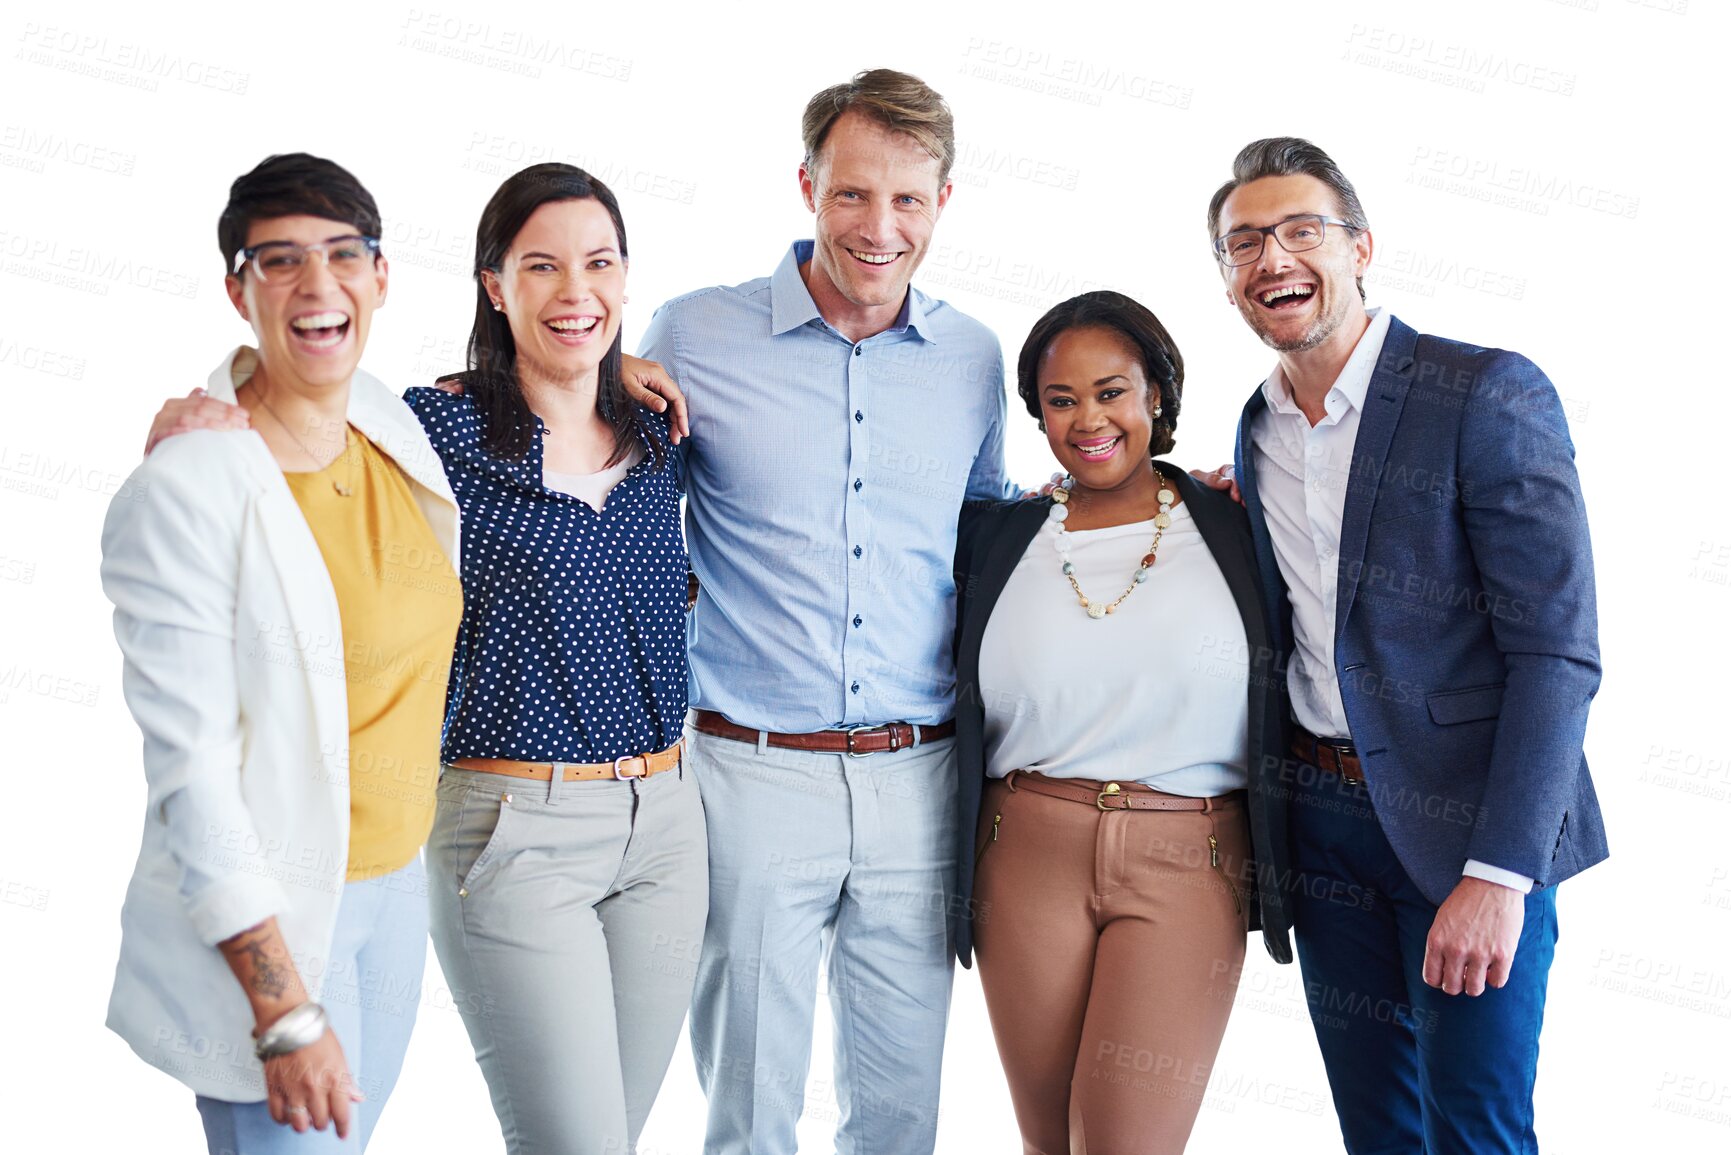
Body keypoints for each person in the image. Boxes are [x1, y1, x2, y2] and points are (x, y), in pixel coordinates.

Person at [1198, 137, 1605, 1153]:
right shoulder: (1258, 429)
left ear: (1362, 246)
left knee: (1475, 1132)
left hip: (1468, 831)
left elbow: (1558, 652)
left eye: (1301, 230)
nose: (1272, 259)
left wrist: (1500, 874)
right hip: (1324, 824)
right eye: (1243, 242)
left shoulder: (1486, 393)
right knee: (1378, 1132)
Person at [634, 69, 1014, 1154]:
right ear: (806, 186)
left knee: (900, 1118)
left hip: (920, 781)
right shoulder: (695, 334)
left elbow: (986, 537)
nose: (878, 227)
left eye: (907, 200)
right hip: (750, 773)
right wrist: (560, 375)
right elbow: (611, 502)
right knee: (748, 1109)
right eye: (852, 194)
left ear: (945, 201)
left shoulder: (975, 358)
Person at [101, 153, 462, 1152]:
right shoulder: (188, 489)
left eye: (346, 254)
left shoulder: (387, 421)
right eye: (281, 261)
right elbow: (194, 780)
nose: (319, 285)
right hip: (280, 918)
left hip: (396, 891)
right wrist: (286, 1012)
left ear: (382, 278)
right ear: (236, 289)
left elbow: (539, 374)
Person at [406, 163, 707, 1155]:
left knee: (607, 1141)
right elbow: (308, 422)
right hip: (515, 834)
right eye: (542, 267)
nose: (576, 291)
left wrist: (601, 370)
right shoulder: (437, 430)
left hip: (666, 829)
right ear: (496, 285)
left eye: (599, 263)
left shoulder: (655, 433)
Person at [951, 291, 1286, 1154]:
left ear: (1156, 398)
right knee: (1048, 1144)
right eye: (1060, 401)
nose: (1088, 419)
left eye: (1111, 392)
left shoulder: (1237, 521)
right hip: (1021, 850)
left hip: (1189, 858)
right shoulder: (995, 534)